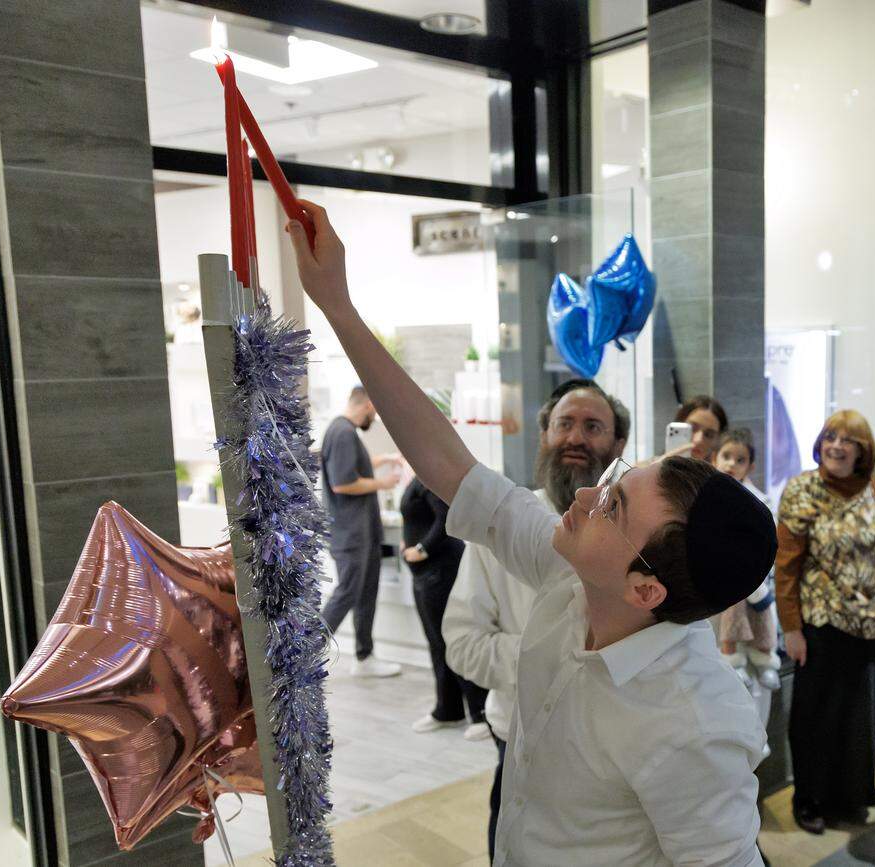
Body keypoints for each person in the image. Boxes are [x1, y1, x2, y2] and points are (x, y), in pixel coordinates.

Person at [288, 203, 777, 865]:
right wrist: (338, 306)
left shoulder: (691, 722)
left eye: (611, 508)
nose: (583, 497)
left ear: (645, 588)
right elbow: (452, 467)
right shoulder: (568, 575)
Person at [443, 377, 630, 860]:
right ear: (544, 435)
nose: (576, 438)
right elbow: (462, 643)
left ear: (618, 445)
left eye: (593, 427)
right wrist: (554, 657)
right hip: (520, 737)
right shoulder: (500, 533)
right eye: (564, 424)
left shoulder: (638, 535)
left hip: (615, 748)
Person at [775, 410, 875, 834]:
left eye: (848, 440)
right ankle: (810, 799)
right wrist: (791, 628)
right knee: (814, 715)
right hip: (822, 623)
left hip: (873, 624)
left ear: (863, 450)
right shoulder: (803, 489)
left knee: (858, 714)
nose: (836, 446)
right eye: (830, 437)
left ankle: (851, 793)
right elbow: (786, 565)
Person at [320, 385, 402, 677]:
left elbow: (355, 469)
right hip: (351, 533)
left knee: (364, 592)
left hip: (358, 532)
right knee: (348, 592)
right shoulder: (343, 433)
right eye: (375, 410)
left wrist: (385, 460)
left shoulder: (343, 431)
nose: (375, 417)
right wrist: (384, 483)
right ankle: (306, 652)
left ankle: (364, 656)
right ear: (367, 404)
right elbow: (342, 483)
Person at [400, 474, 488, 737]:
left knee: (453, 640)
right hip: (426, 575)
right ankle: (448, 709)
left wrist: (421, 549)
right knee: (438, 643)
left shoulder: (429, 478)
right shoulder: (419, 477)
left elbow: (446, 519)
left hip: (440, 571)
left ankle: (480, 713)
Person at [714, 429, 780, 692]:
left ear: (750, 466)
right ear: (715, 458)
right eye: (726, 456)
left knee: (762, 614)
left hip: (755, 576)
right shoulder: (708, 497)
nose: (731, 463)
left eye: (739, 459)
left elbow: (768, 542)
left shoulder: (760, 500)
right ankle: (733, 659)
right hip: (723, 580)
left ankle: (764, 660)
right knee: (731, 615)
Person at [675, 394, 728, 461]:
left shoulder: (723, 470)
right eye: (692, 429)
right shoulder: (658, 466)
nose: (699, 440)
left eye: (709, 435)